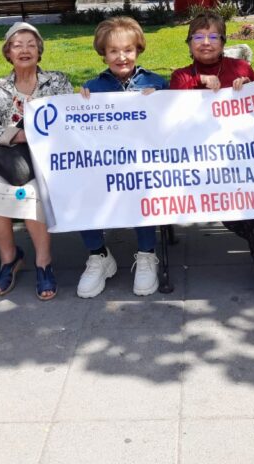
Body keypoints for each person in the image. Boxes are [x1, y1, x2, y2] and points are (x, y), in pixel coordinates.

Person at [170, 14, 254, 306]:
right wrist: (200, 81)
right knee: (225, 208)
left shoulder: (241, 68)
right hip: (200, 162)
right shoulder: (181, 76)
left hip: (241, 160)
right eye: (198, 36)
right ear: (189, 42)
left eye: (213, 36)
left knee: (245, 203)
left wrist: (249, 88)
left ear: (223, 43)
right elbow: (175, 110)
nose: (205, 43)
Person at [0, 22, 73, 300]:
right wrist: (18, 135)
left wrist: (41, 137)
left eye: (31, 44)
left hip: (46, 159)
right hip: (8, 158)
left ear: (39, 51)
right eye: (17, 45)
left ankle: (44, 262)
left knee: (32, 195)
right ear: (8, 53)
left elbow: (68, 117)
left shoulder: (58, 81)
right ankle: (9, 258)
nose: (25, 50)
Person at [76, 17, 168, 298]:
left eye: (128, 49)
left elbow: (174, 125)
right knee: (77, 185)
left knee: (143, 183)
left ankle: (146, 253)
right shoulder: (93, 86)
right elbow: (78, 132)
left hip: (146, 163)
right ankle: (98, 255)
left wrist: (161, 101)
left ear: (138, 50)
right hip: (105, 164)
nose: (121, 56)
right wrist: (78, 106)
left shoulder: (156, 83)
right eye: (113, 51)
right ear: (103, 54)